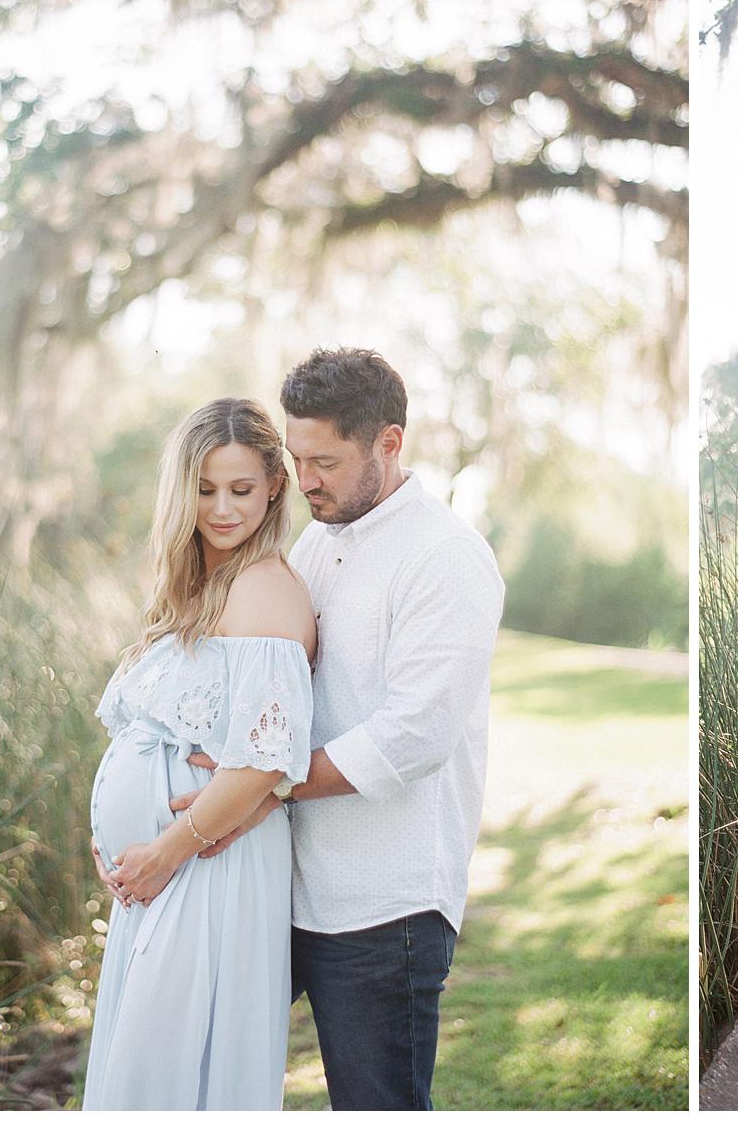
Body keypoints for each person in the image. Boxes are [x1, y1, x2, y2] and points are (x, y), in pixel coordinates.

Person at [171, 348, 505, 1109]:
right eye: (296, 457)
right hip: (289, 884)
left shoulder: (445, 557)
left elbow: (413, 735)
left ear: (389, 443)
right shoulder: (320, 540)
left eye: (324, 460)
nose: (304, 480)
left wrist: (263, 788)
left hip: (386, 905)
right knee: (216, 1077)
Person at [82, 398, 317, 1110]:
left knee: (172, 1075)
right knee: (148, 1074)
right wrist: (124, 852)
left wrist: (164, 851)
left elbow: (263, 761)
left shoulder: (264, 591)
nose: (221, 509)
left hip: (210, 864)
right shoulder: (198, 591)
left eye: (241, 489)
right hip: (165, 870)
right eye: (204, 490)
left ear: (275, 484)